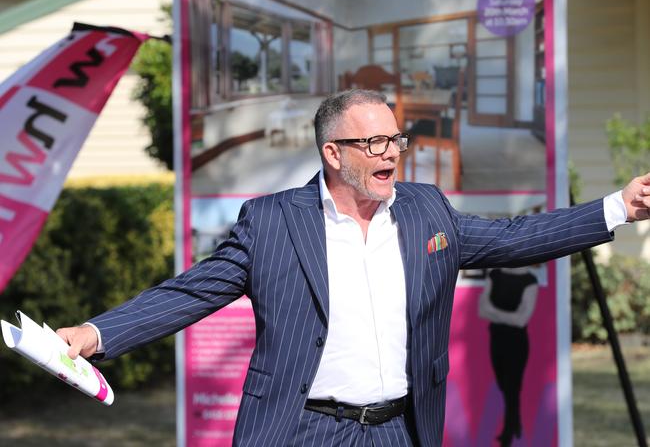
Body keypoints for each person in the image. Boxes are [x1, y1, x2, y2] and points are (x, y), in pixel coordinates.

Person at [57, 89, 650, 446]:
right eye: (372, 144)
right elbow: (192, 292)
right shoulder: (272, 223)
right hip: (300, 431)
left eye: (395, 139)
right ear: (333, 153)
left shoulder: (426, 211)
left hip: (400, 429)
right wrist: (95, 333)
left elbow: (513, 238)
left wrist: (619, 206)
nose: (389, 152)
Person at [479, 267, 539, 446]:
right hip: (496, 338)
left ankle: (508, 434)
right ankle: (516, 424)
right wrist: (510, 317)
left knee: (512, 387)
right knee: (504, 385)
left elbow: (522, 319)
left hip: (517, 343)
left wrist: (495, 313)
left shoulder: (529, 280)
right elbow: (482, 310)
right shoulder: (495, 275)